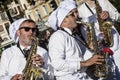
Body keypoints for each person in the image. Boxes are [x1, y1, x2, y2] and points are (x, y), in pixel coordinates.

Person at [48, 1, 104, 80]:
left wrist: (91, 49)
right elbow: (57, 63)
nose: (75, 16)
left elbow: (78, 57)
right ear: (64, 20)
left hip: (80, 76)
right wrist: (86, 63)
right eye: (71, 14)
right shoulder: (58, 36)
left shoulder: (73, 35)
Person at [77, 0, 120, 79]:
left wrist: (109, 15)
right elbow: (86, 33)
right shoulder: (80, 10)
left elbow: (118, 17)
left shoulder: (103, 1)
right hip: (102, 49)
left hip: (116, 44)